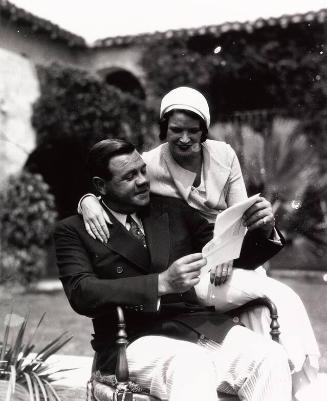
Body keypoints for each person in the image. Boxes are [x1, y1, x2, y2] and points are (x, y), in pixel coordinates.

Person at [78, 87, 320, 400]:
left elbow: (240, 216)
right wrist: (87, 200)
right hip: (187, 266)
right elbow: (113, 187)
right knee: (266, 304)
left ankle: (300, 386)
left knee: (278, 300)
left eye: (193, 131)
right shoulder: (148, 165)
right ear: (164, 128)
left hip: (229, 256)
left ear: (204, 130)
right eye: (176, 130)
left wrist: (244, 240)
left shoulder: (224, 155)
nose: (184, 139)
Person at [54, 138, 292, 401]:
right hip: (131, 340)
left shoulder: (171, 210)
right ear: (101, 185)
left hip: (196, 325)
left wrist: (265, 229)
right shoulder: (73, 230)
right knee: (190, 364)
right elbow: (81, 292)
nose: (143, 180)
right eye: (130, 176)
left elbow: (229, 255)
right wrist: (161, 283)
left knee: (269, 356)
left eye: (142, 170)